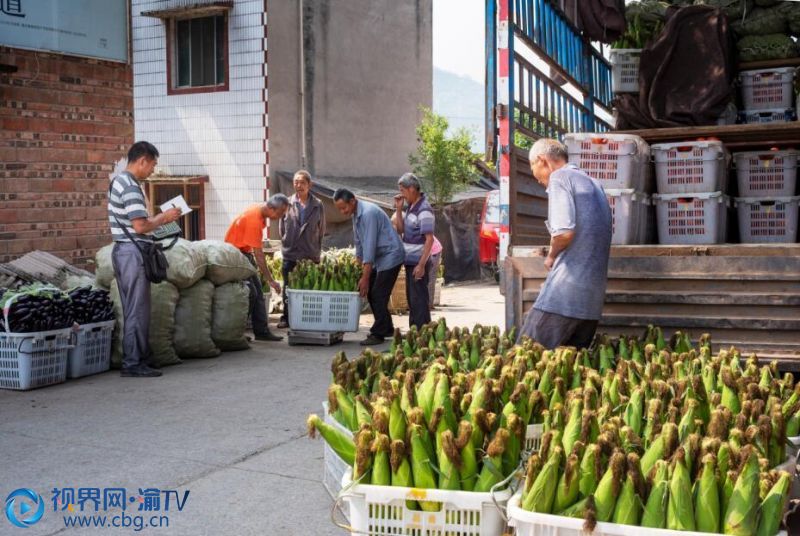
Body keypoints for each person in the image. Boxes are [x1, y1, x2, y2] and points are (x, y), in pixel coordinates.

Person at [518, 138, 612, 350]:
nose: (540, 182)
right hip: (591, 304)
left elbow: (563, 233)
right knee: (570, 368)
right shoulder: (594, 184)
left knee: (524, 359)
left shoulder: (560, 177)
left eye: (535, 172)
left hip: (563, 299)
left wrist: (551, 256)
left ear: (543, 161)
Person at [108, 141, 182, 378]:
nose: (153, 170)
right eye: (152, 164)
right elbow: (140, 225)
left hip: (126, 251)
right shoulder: (129, 186)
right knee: (136, 310)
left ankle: (141, 359)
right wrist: (164, 217)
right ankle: (133, 363)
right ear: (142, 160)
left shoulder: (122, 182)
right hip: (132, 253)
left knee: (136, 309)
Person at [333, 188, 405, 346]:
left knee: (378, 293)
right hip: (380, 257)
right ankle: (386, 328)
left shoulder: (368, 213)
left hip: (391, 255)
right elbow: (359, 241)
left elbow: (370, 247)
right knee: (373, 292)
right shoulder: (356, 214)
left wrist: (365, 277)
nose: (342, 211)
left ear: (352, 201)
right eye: (339, 209)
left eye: (344, 207)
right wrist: (359, 266)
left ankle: (378, 333)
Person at [224, 195, 290, 341]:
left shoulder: (259, 211)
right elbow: (259, 255)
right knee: (250, 293)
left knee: (258, 292)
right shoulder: (254, 220)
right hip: (236, 255)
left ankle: (261, 332)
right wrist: (271, 280)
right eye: (280, 213)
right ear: (271, 209)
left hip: (243, 253)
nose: (280, 217)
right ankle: (235, 333)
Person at [277, 170, 326, 329]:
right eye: (296, 182)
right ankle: (286, 317)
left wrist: (316, 250)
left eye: (302, 182)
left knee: (309, 286)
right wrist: (287, 242)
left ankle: (308, 317)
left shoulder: (318, 205)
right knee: (288, 287)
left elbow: (322, 229)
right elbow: (281, 229)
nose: (298, 185)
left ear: (309, 185)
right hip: (291, 253)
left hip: (309, 253)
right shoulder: (287, 203)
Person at [391, 173, 435, 328]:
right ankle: (416, 331)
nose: (401, 193)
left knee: (419, 299)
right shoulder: (411, 207)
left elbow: (429, 239)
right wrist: (398, 209)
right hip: (411, 262)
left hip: (418, 262)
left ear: (411, 189)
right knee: (413, 299)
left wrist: (422, 265)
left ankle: (422, 331)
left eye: (402, 190)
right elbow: (401, 230)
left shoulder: (423, 209)